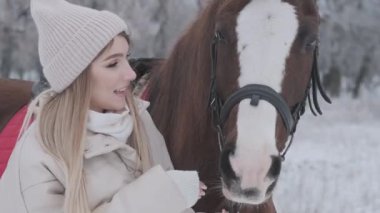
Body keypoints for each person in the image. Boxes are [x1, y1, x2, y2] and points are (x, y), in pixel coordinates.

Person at [0, 0, 206, 212]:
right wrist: (162, 194)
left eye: (127, 58)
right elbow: (163, 196)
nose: (131, 74)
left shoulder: (141, 122)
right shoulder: (40, 154)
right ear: (77, 77)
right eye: (113, 64)